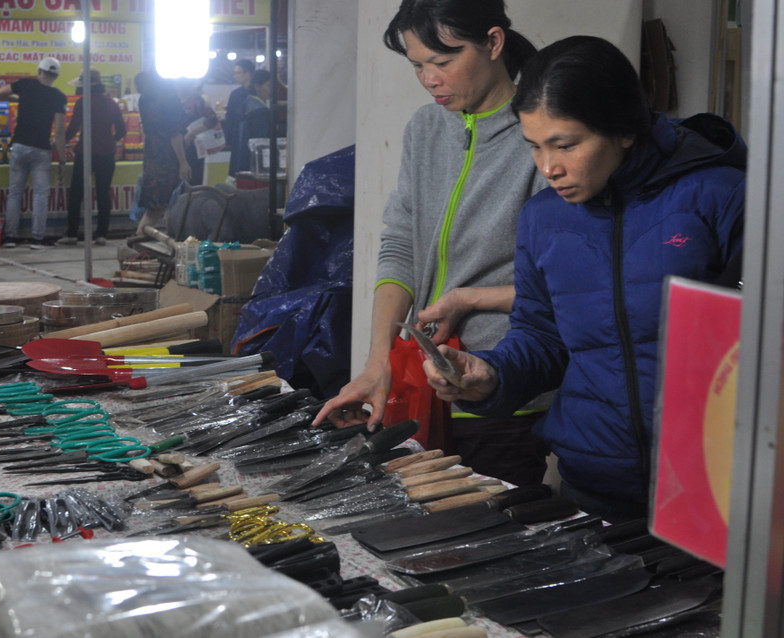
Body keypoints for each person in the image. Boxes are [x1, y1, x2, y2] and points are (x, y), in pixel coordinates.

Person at [424, 36, 746, 522]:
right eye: (534, 146)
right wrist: (491, 376)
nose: (549, 168)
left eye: (566, 145)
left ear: (623, 130)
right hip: (594, 484)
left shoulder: (720, 196)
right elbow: (542, 335)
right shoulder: (543, 220)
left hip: (715, 485)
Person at [314, 0, 551, 487]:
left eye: (443, 62)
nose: (429, 79)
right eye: (418, 65)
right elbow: (400, 246)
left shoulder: (543, 137)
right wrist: (378, 361)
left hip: (504, 388)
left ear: (493, 42)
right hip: (424, 382)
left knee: (494, 543)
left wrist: (469, 299)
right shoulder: (425, 130)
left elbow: (568, 281)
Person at [0, 56, 67, 249]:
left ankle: (10, 237)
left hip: (19, 146)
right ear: (56, 76)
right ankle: (37, 239)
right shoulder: (58, 97)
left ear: (39, 72)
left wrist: (20, 98)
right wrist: (62, 160)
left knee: (14, 193)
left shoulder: (25, 85)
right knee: (40, 195)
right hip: (41, 150)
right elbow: (59, 132)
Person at [57, 68, 127, 246]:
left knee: (77, 194)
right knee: (104, 194)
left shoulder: (82, 103)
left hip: (85, 153)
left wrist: (58, 141)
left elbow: (72, 129)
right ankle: (102, 235)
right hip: (107, 154)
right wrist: (110, 140)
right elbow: (122, 130)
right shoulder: (112, 103)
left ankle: (72, 233)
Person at [134, 69, 191, 231]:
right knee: (164, 206)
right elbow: (175, 134)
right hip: (168, 158)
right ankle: (138, 242)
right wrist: (183, 162)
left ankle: (139, 241)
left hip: (152, 155)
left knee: (155, 207)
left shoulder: (144, 99)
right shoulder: (169, 98)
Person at [229, 69, 272, 175]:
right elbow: (262, 143)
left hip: (240, 165)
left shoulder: (245, 105)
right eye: (268, 85)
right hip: (253, 168)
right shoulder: (260, 112)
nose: (272, 90)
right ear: (257, 86)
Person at [179, 79, 220, 185]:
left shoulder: (196, 100)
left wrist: (191, 134)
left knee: (193, 181)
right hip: (176, 148)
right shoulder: (172, 100)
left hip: (194, 148)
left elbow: (212, 119)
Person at [222, 59, 255, 156]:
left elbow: (230, 119)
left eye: (238, 73)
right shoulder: (235, 94)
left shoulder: (258, 92)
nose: (234, 76)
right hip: (238, 138)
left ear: (248, 74)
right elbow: (230, 119)